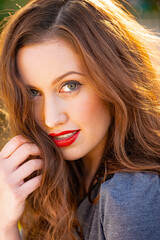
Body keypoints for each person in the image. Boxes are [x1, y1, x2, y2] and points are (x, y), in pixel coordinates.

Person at [0, 0, 160, 239]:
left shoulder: (130, 197)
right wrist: (6, 222)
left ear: (114, 79)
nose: (51, 118)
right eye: (34, 93)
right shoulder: (52, 184)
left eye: (70, 86)